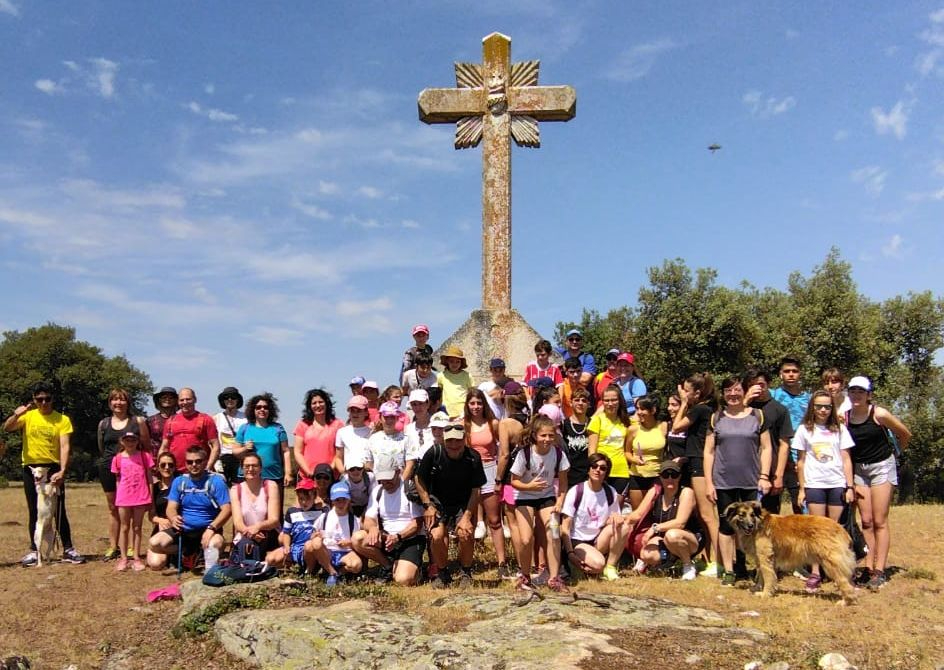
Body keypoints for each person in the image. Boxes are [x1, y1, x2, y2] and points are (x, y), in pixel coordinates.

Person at [3, 381, 86, 566]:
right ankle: (34, 550)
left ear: (52, 399)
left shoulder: (62, 420)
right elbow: (7, 428)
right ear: (34, 400)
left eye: (47, 399)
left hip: (53, 467)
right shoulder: (28, 416)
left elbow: (65, 446)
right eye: (39, 399)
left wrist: (63, 470)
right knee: (34, 509)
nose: (43, 403)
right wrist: (17, 414)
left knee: (58, 510)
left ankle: (68, 549)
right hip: (31, 468)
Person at [704, 376, 773, 586]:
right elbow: (708, 452)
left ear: (744, 392)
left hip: (752, 481)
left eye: (736, 390)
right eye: (728, 391)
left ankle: (759, 570)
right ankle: (730, 570)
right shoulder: (716, 418)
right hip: (723, 481)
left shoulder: (758, 416)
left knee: (754, 526)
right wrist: (709, 482)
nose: (733, 394)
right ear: (723, 394)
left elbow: (767, 448)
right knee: (727, 527)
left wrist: (764, 476)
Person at [845, 375, 911, 590]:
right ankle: (868, 566)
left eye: (861, 392)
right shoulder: (843, 417)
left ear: (868, 395)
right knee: (866, 521)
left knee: (880, 520)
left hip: (882, 466)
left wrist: (897, 455)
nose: (856, 395)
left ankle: (879, 570)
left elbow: (904, 434)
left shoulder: (879, 414)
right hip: (859, 469)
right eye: (853, 391)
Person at [792, 389, 855, 593]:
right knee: (815, 533)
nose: (823, 410)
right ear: (813, 407)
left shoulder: (840, 430)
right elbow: (800, 462)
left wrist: (849, 486)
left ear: (832, 408)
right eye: (819, 406)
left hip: (836, 483)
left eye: (827, 406)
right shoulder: (804, 430)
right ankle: (816, 573)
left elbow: (846, 459)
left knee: (834, 531)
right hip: (814, 484)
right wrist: (802, 489)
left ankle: (840, 575)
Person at [415, 423, 487, 586]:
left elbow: (477, 490)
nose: (454, 445)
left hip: (463, 502)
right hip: (438, 502)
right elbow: (419, 479)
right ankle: (442, 572)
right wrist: (428, 505)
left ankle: (466, 572)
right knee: (437, 535)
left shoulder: (473, 457)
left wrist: (467, 516)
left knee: (466, 533)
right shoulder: (434, 453)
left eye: (458, 440)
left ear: (464, 440)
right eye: (450, 441)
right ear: (444, 440)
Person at [510, 415, 570, 593]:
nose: (547, 440)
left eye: (551, 436)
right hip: (524, 496)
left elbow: (564, 482)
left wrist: (560, 501)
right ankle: (525, 575)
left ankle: (554, 577)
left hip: (546, 497)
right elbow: (514, 481)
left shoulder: (558, 454)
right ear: (535, 435)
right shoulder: (525, 453)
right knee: (526, 538)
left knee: (554, 532)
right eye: (543, 436)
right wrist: (529, 486)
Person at [149, 445, 230, 569]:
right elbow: (171, 508)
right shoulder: (180, 481)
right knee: (155, 543)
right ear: (185, 463)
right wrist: (173, 517)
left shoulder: (216, 482)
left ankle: (204, 555)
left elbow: (227, 509)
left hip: (208, 529)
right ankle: (189, 552)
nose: (194, 465)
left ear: (205, 462)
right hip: (184, 530)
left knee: (216, 544)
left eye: (198, 461)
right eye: (189, 462)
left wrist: (211, 528)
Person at [672, 372, 720, 577]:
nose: (683, 393)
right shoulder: (703, 409)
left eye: (687, 391)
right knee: (702, 515)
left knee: (709, 516)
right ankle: (708, 558)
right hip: (694, 462)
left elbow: (676, 426)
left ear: (698, 393)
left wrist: (683, 403)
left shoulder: (701, 409)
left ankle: (718, 562)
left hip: (701, 464)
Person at [351, 457, 426, 585]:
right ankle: (387, 565)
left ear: (398, 472)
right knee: (358, 538)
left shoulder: (409, 489)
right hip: (386, 537)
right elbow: (368, 518)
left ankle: (416, 570)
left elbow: (417, 523)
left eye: (389, 478)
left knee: (404, 579)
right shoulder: (378, 491)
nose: (385, 482)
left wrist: (398, 537)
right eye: (382, 479)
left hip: (409, 539)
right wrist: (373, 528)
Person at [97, 388, 150, 562]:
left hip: (133, 469)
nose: (118, 403)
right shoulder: (104, 423)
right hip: (109, 468)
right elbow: (101, 447)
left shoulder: (138, 421)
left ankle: (129, 548)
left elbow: (146, 446)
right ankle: (113, 546)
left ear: (128, 402)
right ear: (109, 403)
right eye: (114, 399)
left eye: (122, 399)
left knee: (132, 509)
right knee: (113, 508)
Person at [627, 460, 702, 581]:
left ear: (680, 476)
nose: (670, 478)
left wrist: (654, 528)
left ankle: (688, 565)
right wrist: (622, 520)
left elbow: (680, 523)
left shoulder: (686, 492)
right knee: (647, 555)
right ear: (660, 477)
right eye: (666, 475)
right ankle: (667, 563)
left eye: (674, 475)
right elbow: (638, 513)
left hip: (688, 537)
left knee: (672, 535)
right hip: (663, 538)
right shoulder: (655, 492)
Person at [560, 453, 628, 580]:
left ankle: (610, 567)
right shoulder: (576, 491)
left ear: (606, 472)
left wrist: (615, 518)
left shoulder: (610, 492)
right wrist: (570, 553)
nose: (598, 470)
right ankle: (578, 564)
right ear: (588, 469)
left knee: (623, 526)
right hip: (578, 541)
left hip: (597, 538)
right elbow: (565, 527)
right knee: (597, 564)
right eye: (594, 466)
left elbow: (613, 517)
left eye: (602, 468)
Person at [462, 389, 507, 572]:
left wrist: (498, 478)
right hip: (470, 472)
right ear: (467, 405)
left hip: (489, 469)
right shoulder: (463, 424)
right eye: (472, 403)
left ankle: (502, 562)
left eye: (479, 403)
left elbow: (501, 448)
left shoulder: (493, 423)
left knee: (495, 520)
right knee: (469, 519)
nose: (476, 407)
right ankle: (468, 562)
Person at [742, 367, 794, 514]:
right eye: (752, 385)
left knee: (768, 517)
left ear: (768, 384)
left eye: (761, 384)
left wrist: (779, 476)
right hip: (744, 469)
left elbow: (784, 445)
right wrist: (746, 400)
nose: (757, 388)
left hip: (770, 470)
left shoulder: (779, 410)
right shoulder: (742, 408)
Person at [770, 356, 810, 514]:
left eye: (795, 371)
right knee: (770, 513)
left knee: (802, 509)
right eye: (787, 371)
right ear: (781, 374)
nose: (791, 374)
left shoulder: (809, 399)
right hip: (776, 461)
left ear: (800, 374)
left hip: (799, 462)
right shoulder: (772, 396)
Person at [110, 431, 154, 571]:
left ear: (137, 441)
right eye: (127, 440)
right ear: (122, 442)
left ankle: (136, 557)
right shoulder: (117, 458)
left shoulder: (144, 456)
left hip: (140, 495)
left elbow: (149, 477)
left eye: (133, 440)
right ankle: (123, 557)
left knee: (137, 527)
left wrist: (150, 495)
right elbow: (117, 478)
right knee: (124, 527)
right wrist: (118, 497)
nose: (130, 443)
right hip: (124, 497)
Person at [234, 393, 292, 500]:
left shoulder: (278, 428)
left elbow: (286, 451)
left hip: (273, 477)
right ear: (253, 410)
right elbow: (235, 452)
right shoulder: (245, 428)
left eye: (265, 407)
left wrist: (288, 473)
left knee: (275, 513)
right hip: (248, 477)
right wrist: (245, 448)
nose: (262, 409)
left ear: (270, 410)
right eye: (258, 407)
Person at [265, 477, 325, 574]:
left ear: (314, 496)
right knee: (270, 559)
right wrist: (287, 546)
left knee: (309, 546)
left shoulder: (321, 511)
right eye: (301, 499)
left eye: (308, 498)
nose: (304, 502)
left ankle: (310, 571)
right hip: (295, 547)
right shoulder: (292, 512)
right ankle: (292, 566)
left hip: (311, 549)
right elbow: (287, 532)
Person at [230, 452, 281, 562]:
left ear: (261, 468)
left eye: (255, 465)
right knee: (248, 546)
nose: (251, 469)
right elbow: (238, 523)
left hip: (269, 535)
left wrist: (257, 527)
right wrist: (251, 534)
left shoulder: (271, 486)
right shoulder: (235, 490)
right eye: (247, 466)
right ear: (242, 469)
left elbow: (274, 520)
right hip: (246, 535)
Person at [310, 482, 364, 585]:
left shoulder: (354, 520)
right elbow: (313, 534)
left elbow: (357, 541)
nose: (341, 503)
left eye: (344, 500)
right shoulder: (325, 517)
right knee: (316, 543)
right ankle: (332, 572)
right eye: (337, 500)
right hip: (329, 551)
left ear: (349, 500)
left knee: (356, 565)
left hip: (345, 552)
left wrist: (349, 543)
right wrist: (316, 536)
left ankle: (339, 572)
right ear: (332, 501)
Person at [587, 384, 633, 501]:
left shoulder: (626, 421)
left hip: (621, 470)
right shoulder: (597, 420)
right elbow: (592, 451)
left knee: (615, 511)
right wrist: (594, 470)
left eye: (614, 400)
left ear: (620, 401)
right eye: (606, 400)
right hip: (601, 471)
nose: (610, 403)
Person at [159, 388, 220, 474]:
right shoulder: (171, 421)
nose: (185, 402)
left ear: (195, 400)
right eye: (182, 400)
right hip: (175, 472)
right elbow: (164, 447)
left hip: (200, 472)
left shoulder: (206, 419)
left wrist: (208, 467)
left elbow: (216, 446)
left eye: (188, 399)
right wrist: (161, 467)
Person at [626, 395, 666, 511]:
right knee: (638, 515)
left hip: (657, 476)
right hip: (637, 476)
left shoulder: (663, 426)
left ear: (653, 410)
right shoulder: (633, 429)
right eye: (637, 409)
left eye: (642, 409)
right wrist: (635, 460)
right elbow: (627, 452)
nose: (638, 412)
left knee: (655, 513)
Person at [293, 388, 344, 478]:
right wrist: (309, 472)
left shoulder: (338, 424)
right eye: (314, 403)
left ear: (327, 403)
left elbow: (339, 452)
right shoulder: (302, 425)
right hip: (307, 476)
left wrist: (329, 470)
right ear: (309, 406)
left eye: (321, 402)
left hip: (331, 477)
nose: (318, 405)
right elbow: (298, 452)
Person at [366, 401, 416, 480]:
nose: (389, 420)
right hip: (378, 484)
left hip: (399, 485)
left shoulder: (406, 439)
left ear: (397, 418)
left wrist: (401, 484)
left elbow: (410, 465)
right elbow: (368, 464)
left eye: (392, 417)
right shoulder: (373, 439)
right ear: (380, 418)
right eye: (386, 417)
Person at [146, 452, 179, 570]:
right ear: (158, 467)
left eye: (170, 465)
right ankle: (170, 554)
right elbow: (151, 516)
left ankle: (182, 551)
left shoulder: (181, 485)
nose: (167, 468)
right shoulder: (154, 488)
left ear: (175, 467)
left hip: (177, 528)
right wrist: (160, 520)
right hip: (161, 527)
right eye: (163, 465)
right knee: (156, 564)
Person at [213, 386, 246, 485]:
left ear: (238, 400)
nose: (230, 400)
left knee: (240, 487)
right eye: (226, 397)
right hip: (223, 457)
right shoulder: (216, 418)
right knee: (222, 486)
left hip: (240, 457)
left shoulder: (245, 418)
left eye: (233, 397)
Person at [561, 387, 592, 489]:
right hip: (568, 475)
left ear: (588, 404)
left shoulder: (593, 424)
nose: (580, 403)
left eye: (584, 400)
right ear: (571, 403)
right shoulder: (564, 425)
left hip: (588, 475)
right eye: (577, 400)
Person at [336, 395, 372, 471]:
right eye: (352, 410)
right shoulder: (342, 432)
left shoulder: (372, 433)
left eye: (358, 410)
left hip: (368, 475)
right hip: (349, 475)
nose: (355, 414)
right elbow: (338, 458)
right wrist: (343, 473)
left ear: (366, 412)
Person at [437, 346, 473, 418]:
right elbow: (439, 395)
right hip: (446, 412)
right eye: (451, 361)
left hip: (463, 412)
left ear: (461, 363)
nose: (454, 364)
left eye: (457, 362)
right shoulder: (441, 376)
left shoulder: (467, 376)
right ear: (447, 361)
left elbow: (472, 394)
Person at [146, 387, 178, 458]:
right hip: (155, 459)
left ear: (176, 401)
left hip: (176, 458)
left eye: (171, 397)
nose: (167, 399)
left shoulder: (181, 420)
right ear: (159, 400)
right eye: (164, 397)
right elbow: (145, 442)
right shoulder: (150, 420)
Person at [404, 389, 434, 461]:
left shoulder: (437, 426)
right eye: (414, 404)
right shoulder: (408, 429)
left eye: (420, 403)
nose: (417, 408)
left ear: (428, 404)